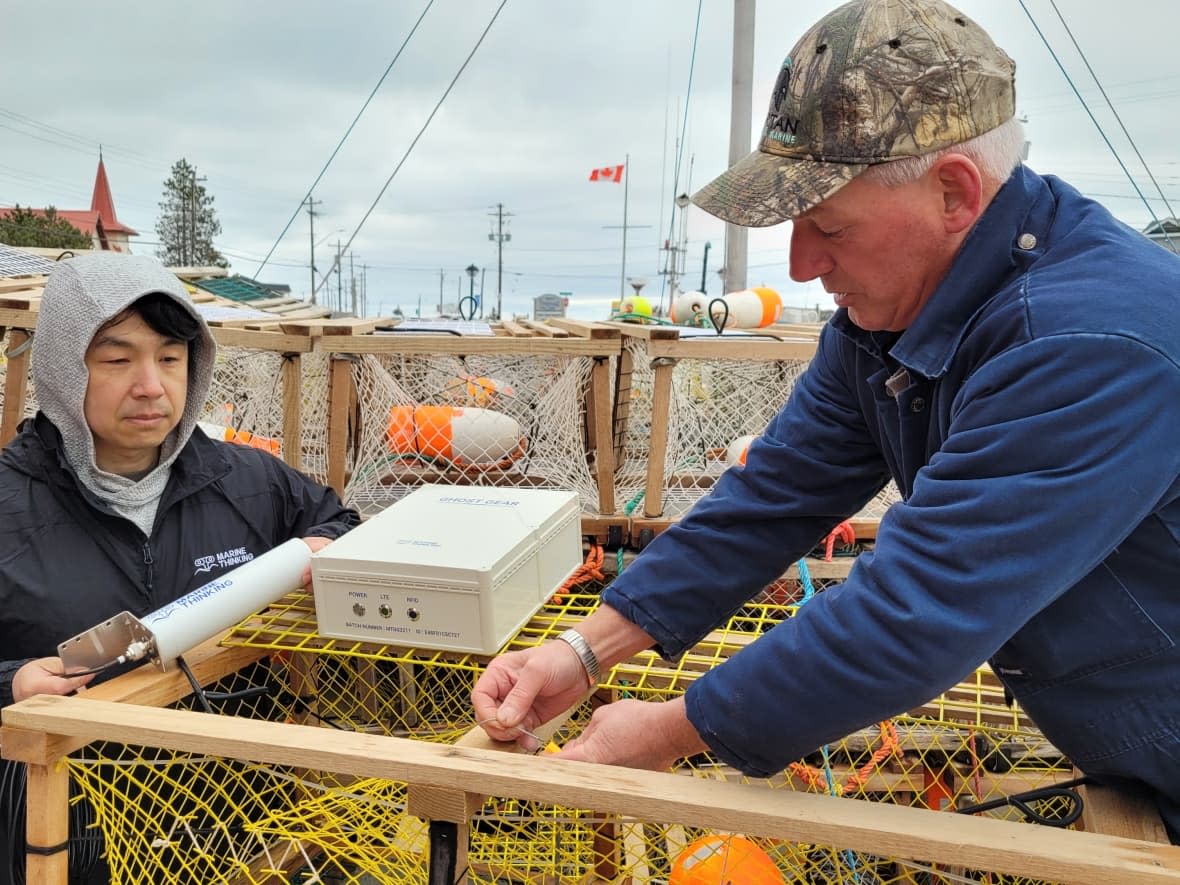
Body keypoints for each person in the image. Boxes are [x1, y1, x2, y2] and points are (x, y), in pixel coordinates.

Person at [475, 0, 1180, 843]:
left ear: (953, 192)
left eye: (826, 225)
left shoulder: (1088, 339)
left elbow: (917, 611)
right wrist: (582, 653)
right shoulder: (890, 317)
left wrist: (670, 730)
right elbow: (774, 493)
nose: (804, 266)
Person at [0, 252, 360, 883]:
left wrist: (321, 551)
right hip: (65, 836)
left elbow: (341, 523)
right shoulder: (8, 506)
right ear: (62, 369)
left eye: (170, 358)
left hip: (242, 822)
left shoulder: (249, 482)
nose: (150, 385)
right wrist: (13, 681)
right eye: (117, 359)